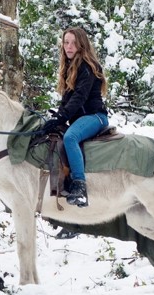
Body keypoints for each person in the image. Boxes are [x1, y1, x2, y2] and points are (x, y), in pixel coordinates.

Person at [39, 26, 109, 207]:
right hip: (79, 119)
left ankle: (79, 186)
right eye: (66, 42)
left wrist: (62, 117)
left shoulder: (88, 67)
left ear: (81, 45)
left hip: (95, 117)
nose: (69, 47)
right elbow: (67, 99)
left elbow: (79, 97)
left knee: (70, 137)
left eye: (73, 43)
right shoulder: (69, 67)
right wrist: (56, 118)